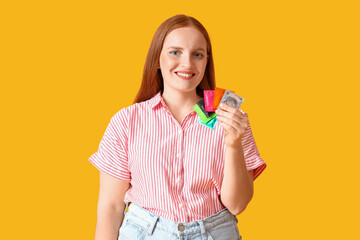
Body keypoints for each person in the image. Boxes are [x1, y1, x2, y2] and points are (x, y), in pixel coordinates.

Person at [88, 14, 266, 240]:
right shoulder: (127, 121)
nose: (187, 63)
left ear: (206, 61)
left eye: (197, 54)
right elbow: (111, 208)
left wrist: (233, 143)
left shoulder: (232, 120)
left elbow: (238, 204)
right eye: (175, 52)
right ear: (157, 58)